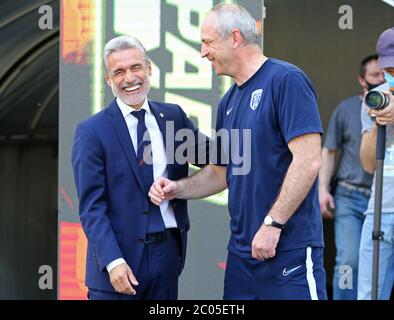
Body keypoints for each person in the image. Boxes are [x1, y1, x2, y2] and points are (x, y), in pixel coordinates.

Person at [149, 3, 327, 300]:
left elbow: (308, 160)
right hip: (242, 258)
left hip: (288, 249)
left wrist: (273, 224)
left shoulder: (287, 80)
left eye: (207, 42)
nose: (203, 53)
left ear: (234, 38)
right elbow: (222, 172)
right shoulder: (228, 101)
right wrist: (177, 189)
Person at [71, 35, 208, 300]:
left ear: (149, 69)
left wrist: (257, 134)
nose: (129, 78)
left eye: (136, 68)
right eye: (119, 72)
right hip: (116, 266)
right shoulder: (92, 131)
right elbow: (91, 208)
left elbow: (214, 154)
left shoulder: (173, 117)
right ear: (108, 80)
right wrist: (113, 261)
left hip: (166, 256)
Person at [319, 55, 384, 300]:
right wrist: (322, 190)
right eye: (375, 75)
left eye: (385, 74)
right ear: (361, 79)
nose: (381, 80)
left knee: (378, 262)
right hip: (349, 195)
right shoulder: (347, 109)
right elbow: (329, 150)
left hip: (383, 199)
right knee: (349, 261)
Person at [358, 27, 394, 300]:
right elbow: (369, 164)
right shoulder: (377, 96)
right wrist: (375, 123)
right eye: (389, 70)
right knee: (370, 293)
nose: (392, 75)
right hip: (383, 207)